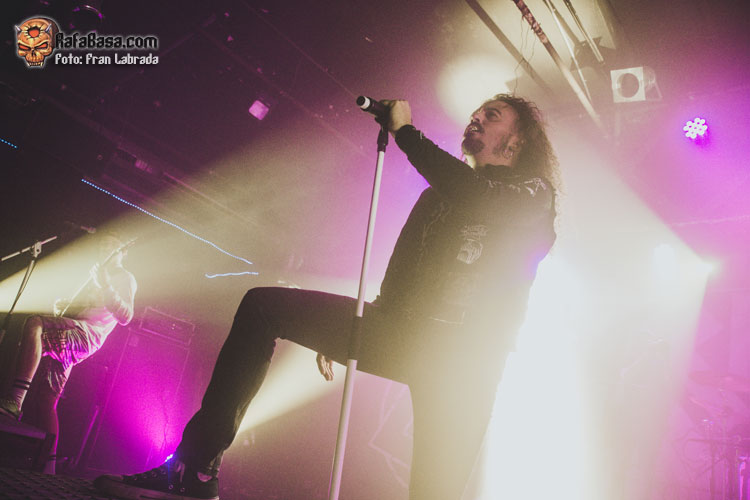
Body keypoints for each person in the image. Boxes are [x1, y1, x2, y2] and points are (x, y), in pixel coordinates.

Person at [94, 94, 559, 500]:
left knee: (434, 491)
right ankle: (194, 470)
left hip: (464, 363)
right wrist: (349, 328)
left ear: (516, 142)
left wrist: (406, 133)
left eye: (492, 115)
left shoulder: (533, 195)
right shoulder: (440, 195)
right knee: (263, 306)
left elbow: (477, 196)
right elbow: (405, 274)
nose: (476, 117)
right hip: (403, 332)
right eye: (477, 111)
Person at [0, 231, 136, 474]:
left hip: (86, 335)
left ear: (122, 251)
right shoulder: (96, 273)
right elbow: (82, 310)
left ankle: (15, 401)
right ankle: (49, 468)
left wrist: (105, 285)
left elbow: (125, 316)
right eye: (102, 245)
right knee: (46, 399)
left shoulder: (124, 277)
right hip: (74, 330)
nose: (104, 249)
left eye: (111, 245)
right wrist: (63, 308)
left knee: (34, 324)